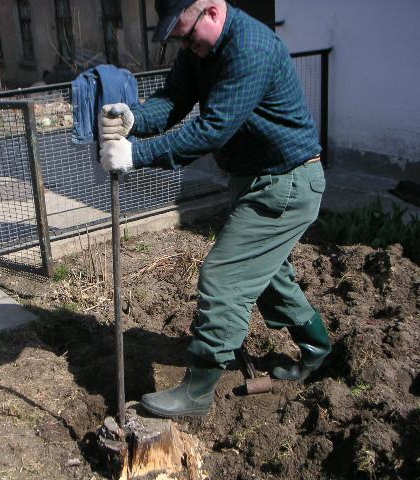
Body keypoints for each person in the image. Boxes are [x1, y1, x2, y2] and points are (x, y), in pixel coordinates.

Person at [98, 0, 331, 418]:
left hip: (287, 181)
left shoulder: (251, 48)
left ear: (211, 9)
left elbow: (213, 129)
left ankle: (198, 390)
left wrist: (137, 155)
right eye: (178, 40)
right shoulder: (199, 51)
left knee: (224, 275)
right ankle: (317, 349)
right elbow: (174, 98)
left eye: (187, 35)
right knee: (270, 276)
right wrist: (136, 118)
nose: (186, 46)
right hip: (256, 178)